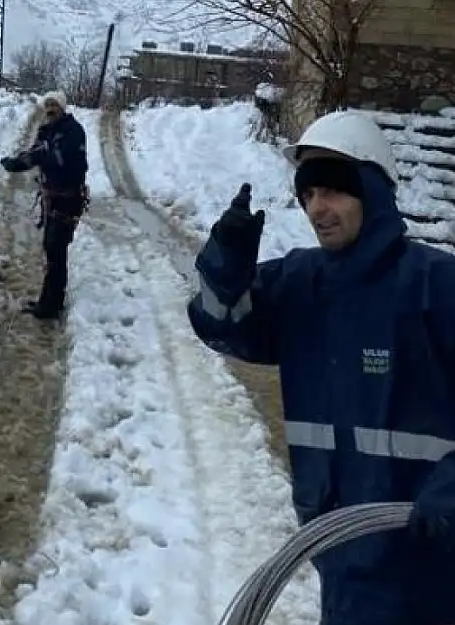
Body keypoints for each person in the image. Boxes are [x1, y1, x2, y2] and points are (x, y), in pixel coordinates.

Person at [186, 110, 455, 625]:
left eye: (331, 190)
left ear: (373, 191)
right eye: (307, 194)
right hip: (339, 553)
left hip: (431, 564)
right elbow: (220, 326)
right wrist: (225, 272)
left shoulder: (433, 286)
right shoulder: (300, 284)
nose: (317, 208)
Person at [0, 90, 89, 319]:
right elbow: (34, 155)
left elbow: (62, 160)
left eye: (54, 105)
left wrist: (42, 155)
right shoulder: (46, 131)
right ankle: (51, 300)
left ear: (62, 107)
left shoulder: (73, 131)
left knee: (55, 249)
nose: (50, 109)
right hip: (52, 199)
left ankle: (49, 306)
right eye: (47, 105)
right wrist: (15, 164)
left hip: (68, 200)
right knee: (52, 251)